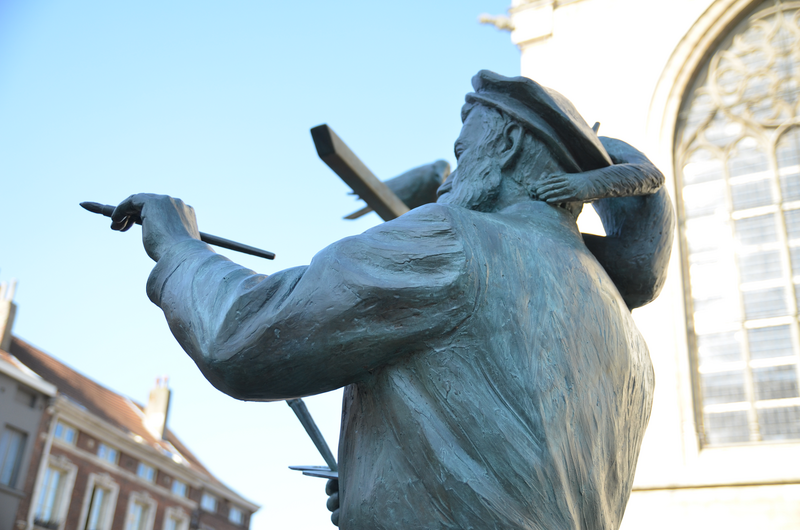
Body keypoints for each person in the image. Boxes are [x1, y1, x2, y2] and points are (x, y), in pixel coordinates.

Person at [112, 71, 673, 530]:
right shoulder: (628, 337)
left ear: (505, 146)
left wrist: (178, 248)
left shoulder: (455, 240)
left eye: (463, 148)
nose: (449, 178)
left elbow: (243, 338)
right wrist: (373, 483)